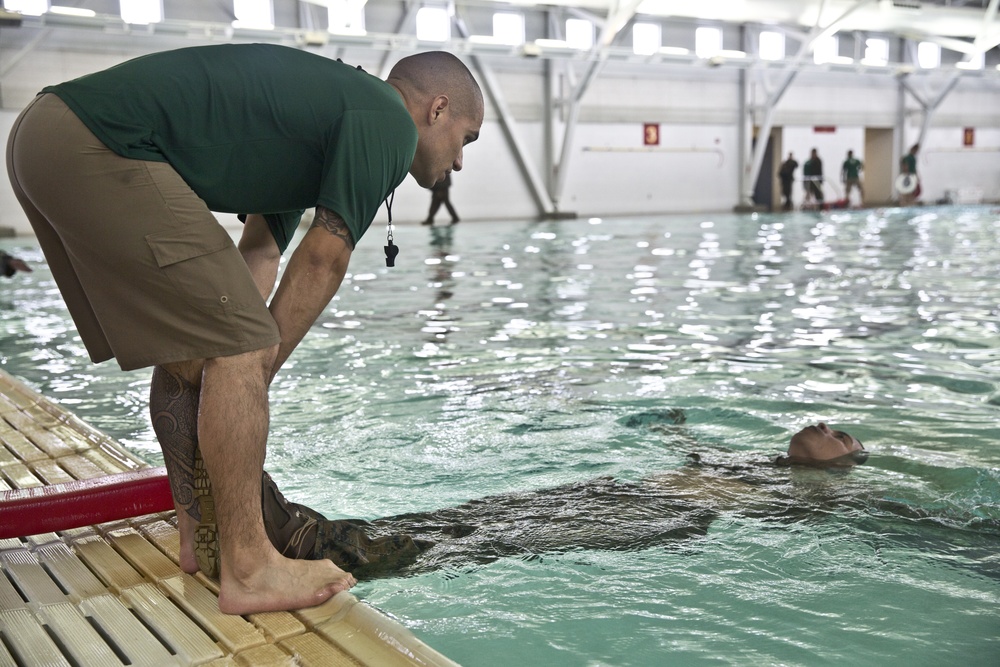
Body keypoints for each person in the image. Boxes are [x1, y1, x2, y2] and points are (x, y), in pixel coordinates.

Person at [6, 44, 484, 615]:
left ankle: (199, 536)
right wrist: (250, 366)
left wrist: (241, 369)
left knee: (201, 348)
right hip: (94, 141)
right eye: (466, 139)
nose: (459, 162)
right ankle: (250, 569)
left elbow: (259, 254)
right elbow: (322, 260)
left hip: (44, 137)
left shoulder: (325, 117)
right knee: (239, 344)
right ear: (437, 108)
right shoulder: (385, 119)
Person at [245, 421, 870, 579]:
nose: (825, 427)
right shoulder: (755, 460)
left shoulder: (812, 495)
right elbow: (692, 448)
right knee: (474, 517)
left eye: (841, 435)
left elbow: (898, 526)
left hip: (655, 518)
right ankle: (314, 533)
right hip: (616, 494)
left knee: (489, 541)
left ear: (847, 464)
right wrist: (672, 425)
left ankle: (338, 555)